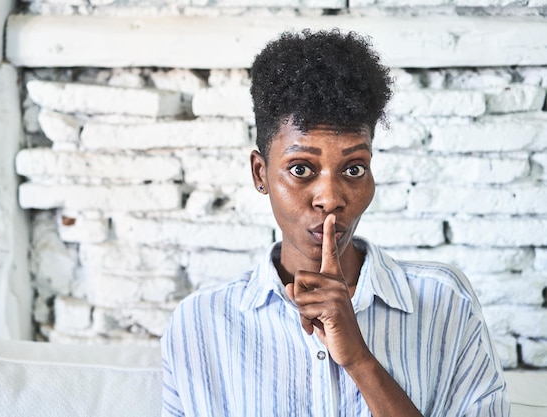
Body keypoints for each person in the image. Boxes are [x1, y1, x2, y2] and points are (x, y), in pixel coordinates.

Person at [161, 29, 510, 416]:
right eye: (300, 169)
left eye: (354, 168)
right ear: (260, 173)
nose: (330, 198)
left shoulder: (445, 302)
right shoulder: (202, 323)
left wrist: (359, 361)